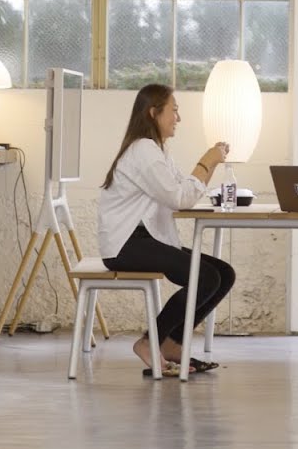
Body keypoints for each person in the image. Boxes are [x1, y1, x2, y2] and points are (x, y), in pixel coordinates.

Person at [97, 83, 236, 376]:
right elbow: (179, 197)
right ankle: (151, 341)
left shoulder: (156, 150)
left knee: (223, 275)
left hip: (145, 238)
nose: (178, 118)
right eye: (174, 110)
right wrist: (207, 160)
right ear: (153, 113)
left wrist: (208, 163)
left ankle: (172, 343)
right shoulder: (143, 151)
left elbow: (184, 191)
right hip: (126, 245)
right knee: (206, 276)